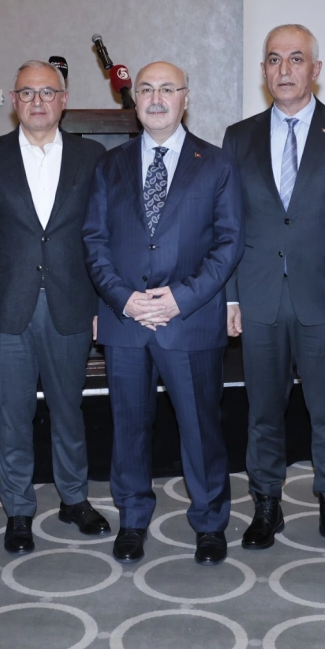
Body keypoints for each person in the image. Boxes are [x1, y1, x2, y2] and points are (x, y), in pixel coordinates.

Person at [84, 61, 243, 566]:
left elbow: (229, 244)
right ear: (135, 100)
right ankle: (132, 518)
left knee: (200, 429)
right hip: (125, 321)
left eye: (167, 89)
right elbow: (94, 241)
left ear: (185, 98)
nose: (156, 98)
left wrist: (179, 298)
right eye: (147, 89)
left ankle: (210, 522)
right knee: (128, 428)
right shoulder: (109, 165)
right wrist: (124, 299)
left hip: (190, 320)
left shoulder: (216, 164)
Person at [223, 24, 325, 555]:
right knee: (263, 411)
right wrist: (231, 296)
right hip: (258, 296)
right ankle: (266, 504)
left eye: (296, 58)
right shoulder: (238, 137)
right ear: (263, 69)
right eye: (274, 59)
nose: (284, 69)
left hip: (323, 298)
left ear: (316, 69)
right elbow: (227, 224)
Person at [0, 61, 110, 553]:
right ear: (14, 100)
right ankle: (18, 509)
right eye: (27, 93)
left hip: (72, 305)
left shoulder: (92, 156)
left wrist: (101, 304)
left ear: (64, 99)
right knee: (12, 417)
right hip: (9, 309)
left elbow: (102, 236)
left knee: (68, 410)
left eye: (47, 92)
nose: (38, 102)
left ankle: (74, 498)